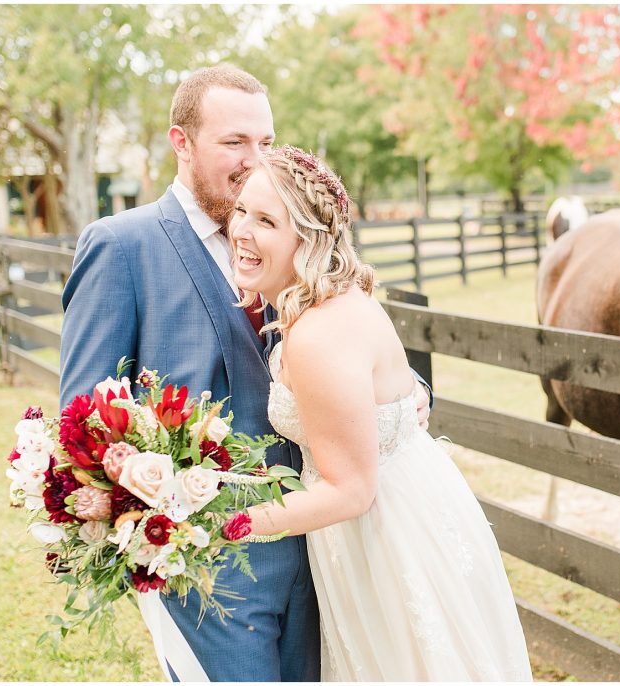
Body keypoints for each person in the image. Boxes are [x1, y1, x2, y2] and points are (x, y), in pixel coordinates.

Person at [58, 65, 430, 682]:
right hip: (212, 578)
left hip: (328, 552)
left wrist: (408, 394)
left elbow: (354, 340)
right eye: (234, 142)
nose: (255, 160)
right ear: (181, 143)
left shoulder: (293, 234)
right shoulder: (122, 247)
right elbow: (84, 421)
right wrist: (164, 527)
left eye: (266, 142)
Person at [230, 146, 533, 681]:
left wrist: (230, 524)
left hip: (382, 535)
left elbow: (352, 490)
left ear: (307, 239)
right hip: (411, 503)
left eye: (266, 221)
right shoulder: (333, 300)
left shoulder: (318, 333)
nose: (242, 231)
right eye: (241, 212)